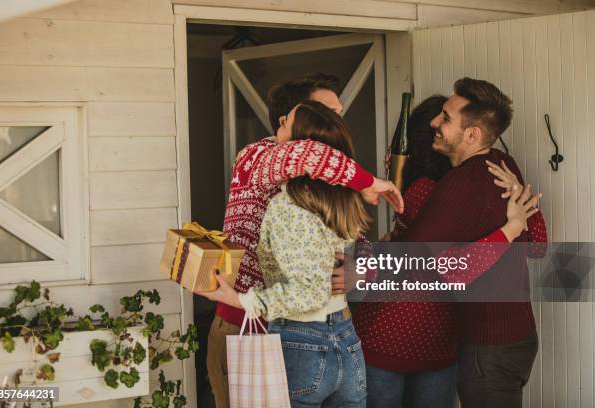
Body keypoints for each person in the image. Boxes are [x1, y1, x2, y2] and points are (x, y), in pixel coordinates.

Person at [205, 73, 403, 408]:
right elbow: (306, 155)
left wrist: (359, 270)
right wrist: (368, 181)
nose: (336, 120)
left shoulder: (336, 177)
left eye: (339, 113)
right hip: (247, 323)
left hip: (321, 331)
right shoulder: (259, 156)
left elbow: (359, 240)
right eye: (325, 111)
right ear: (287, 119)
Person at [353, 94, 547, 408]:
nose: (437, 124)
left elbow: (434, 267)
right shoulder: (497, 168)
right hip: (454, 341)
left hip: (409, 337)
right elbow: (536, 247)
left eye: (444, 119)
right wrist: (521, 210)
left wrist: (366, 255)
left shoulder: (436, 189)